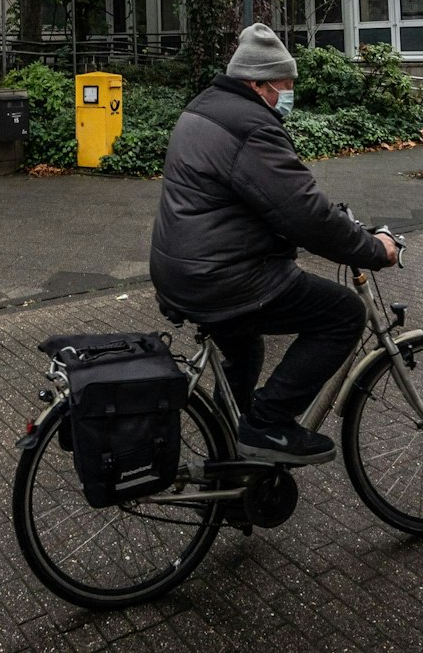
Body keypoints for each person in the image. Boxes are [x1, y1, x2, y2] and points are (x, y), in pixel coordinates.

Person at [148, 24, 399, 464]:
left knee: (247, 348)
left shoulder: (204, 108)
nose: (289, 92)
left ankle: (230, 453)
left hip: (181, 268)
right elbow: (304, 214)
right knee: (342, 314)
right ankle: (266, 427)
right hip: (220, 276)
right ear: (257, 83)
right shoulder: (251, 127)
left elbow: (248, 199)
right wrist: (373, 249)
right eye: (284, 84)